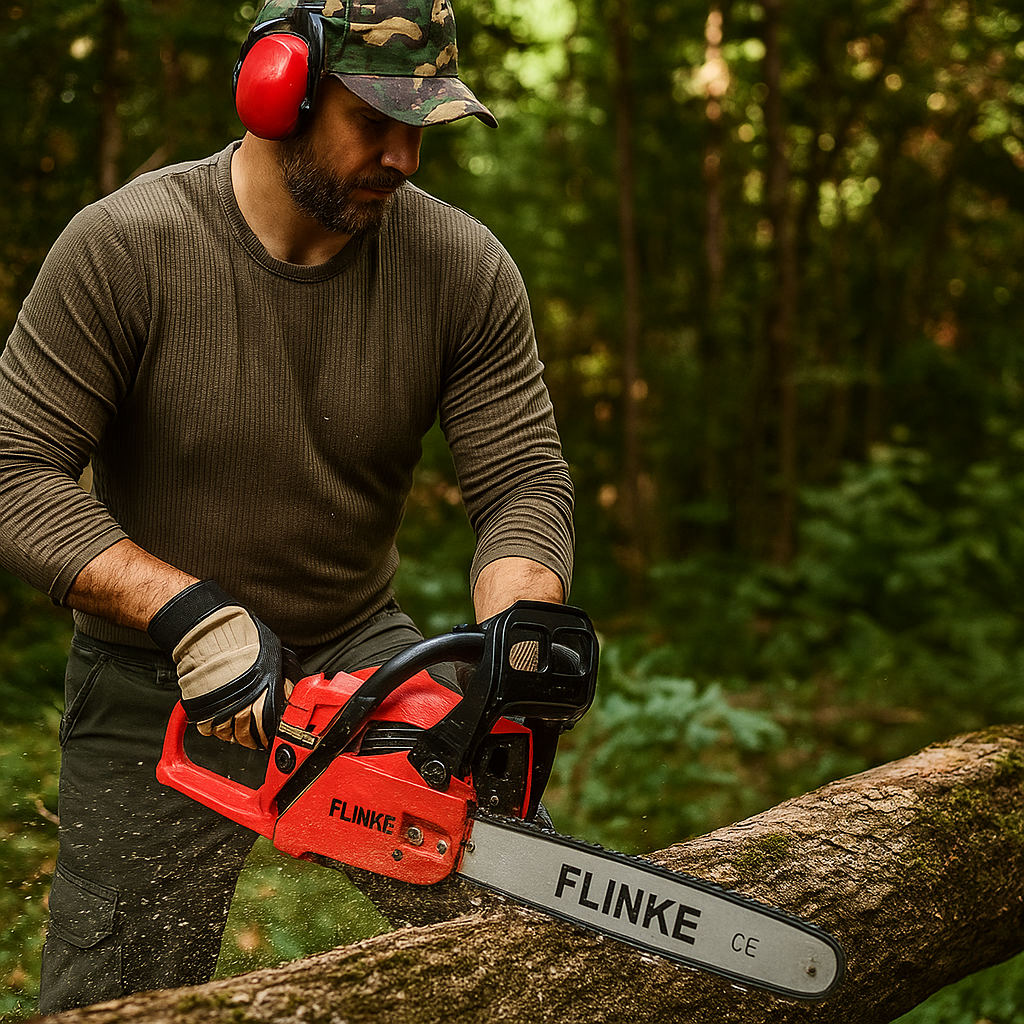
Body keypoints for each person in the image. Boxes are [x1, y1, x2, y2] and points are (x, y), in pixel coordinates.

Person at [0, 0, 574, 1012]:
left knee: (510, 942)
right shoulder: (126, 246)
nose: (403, 157)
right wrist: (187, 612)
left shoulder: (461, 268)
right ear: (280, 91)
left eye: (424, 128)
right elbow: (16, 467)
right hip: (153, 680)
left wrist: (515, 636)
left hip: (357, 654)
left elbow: (521, 476)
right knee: (115, 994)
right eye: (375, 120)